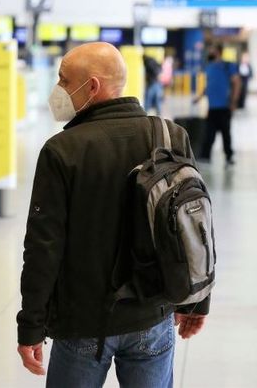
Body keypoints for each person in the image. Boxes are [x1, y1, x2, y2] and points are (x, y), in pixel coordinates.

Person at [17, 42, 209, 387]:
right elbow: (194, 225)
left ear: (91, 87)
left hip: (82, 324)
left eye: (64, 79)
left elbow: (44, 246)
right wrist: (197, 301)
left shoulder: (64, 150)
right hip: (152, 316)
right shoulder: (170, 135)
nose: (58, 88)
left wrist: (31, 324)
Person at [193, 43, 241, 166]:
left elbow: (237, 83)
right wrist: (199, 97)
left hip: (224, 106)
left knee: (226, 133)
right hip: (212, 106)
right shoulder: (209, 67)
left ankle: (229, 157)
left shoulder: (227, 65)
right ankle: (205, 157)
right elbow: (209, 85)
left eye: (212, 48)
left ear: (218, 51)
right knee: (209, 133)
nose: (209, 51)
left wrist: (234, 101)